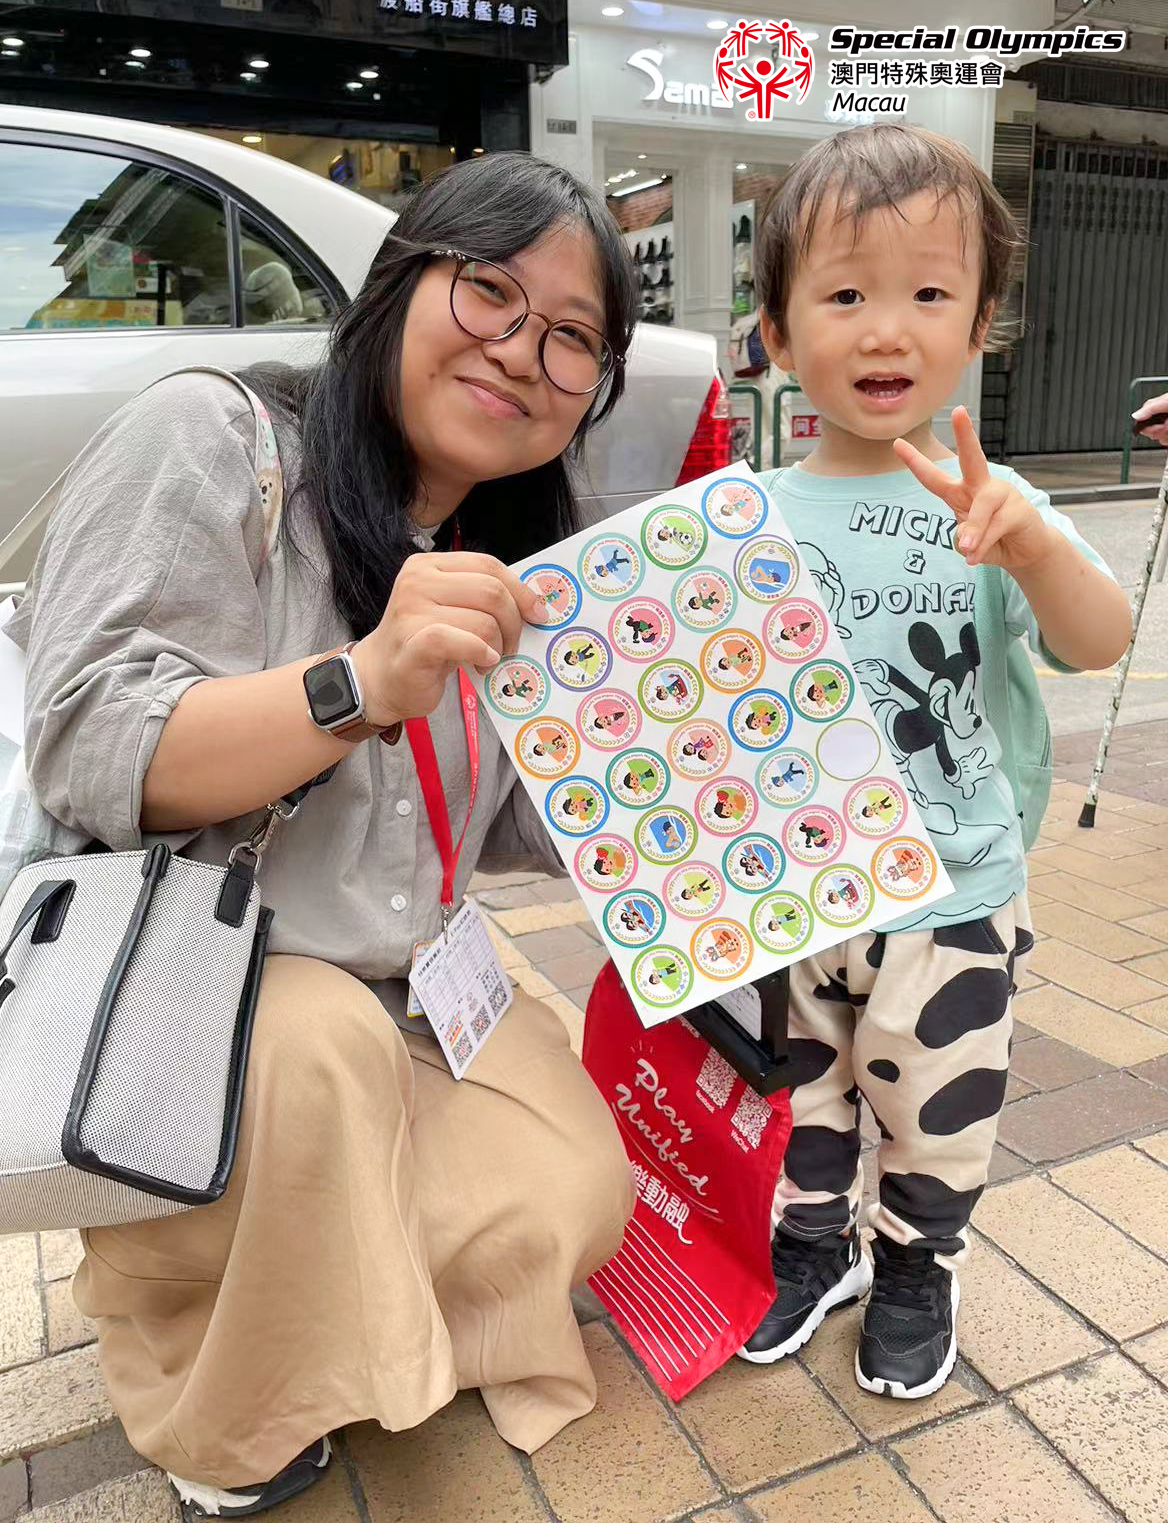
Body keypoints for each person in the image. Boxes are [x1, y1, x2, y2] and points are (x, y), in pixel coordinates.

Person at [7, 152, 640, 1517]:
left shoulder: (501, 556)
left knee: (577, 1189)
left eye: (572, 336)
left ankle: (343, 1298)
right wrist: (357, 682)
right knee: (319, 1054)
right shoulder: (215, 437)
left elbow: (515, 818)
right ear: (398, 282)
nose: (521, 351)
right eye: (489, 291)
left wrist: (687, 782)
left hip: (408, 986)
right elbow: (92, 739)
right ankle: (219, 1399)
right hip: (203, 996)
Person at [735, 124, 1130, 1399]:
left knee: (937, 1102)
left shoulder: (994, 501)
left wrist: (1036, 552)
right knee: (799, 1094)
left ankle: (915, 1263)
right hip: (798, 889)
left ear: (979, 325)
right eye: (845, 295)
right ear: (778, 332)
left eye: (927, 293)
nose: (887, 330)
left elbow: (1100, 640)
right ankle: (812, 1248)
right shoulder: (745, 518)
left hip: (953, 891)